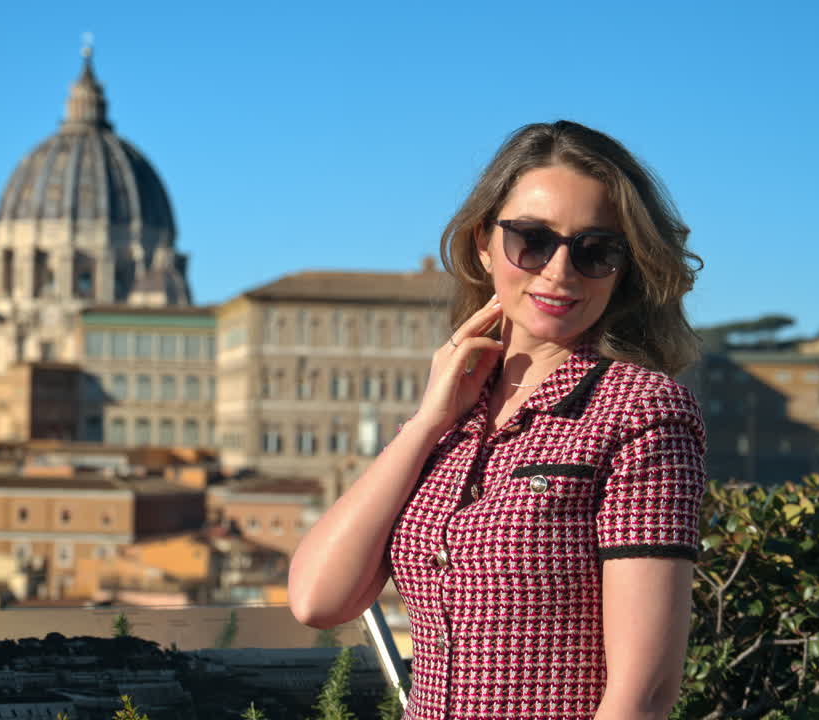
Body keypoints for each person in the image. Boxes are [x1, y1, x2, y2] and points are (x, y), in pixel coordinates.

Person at [288, 120, 707, 719]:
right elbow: (317, 600)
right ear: (484, 243)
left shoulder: (643, 413)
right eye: (532, 241)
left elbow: (642, 696)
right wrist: (429, 420)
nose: (559, 272)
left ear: (625, 267)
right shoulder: (453, 417)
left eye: (595, 251)